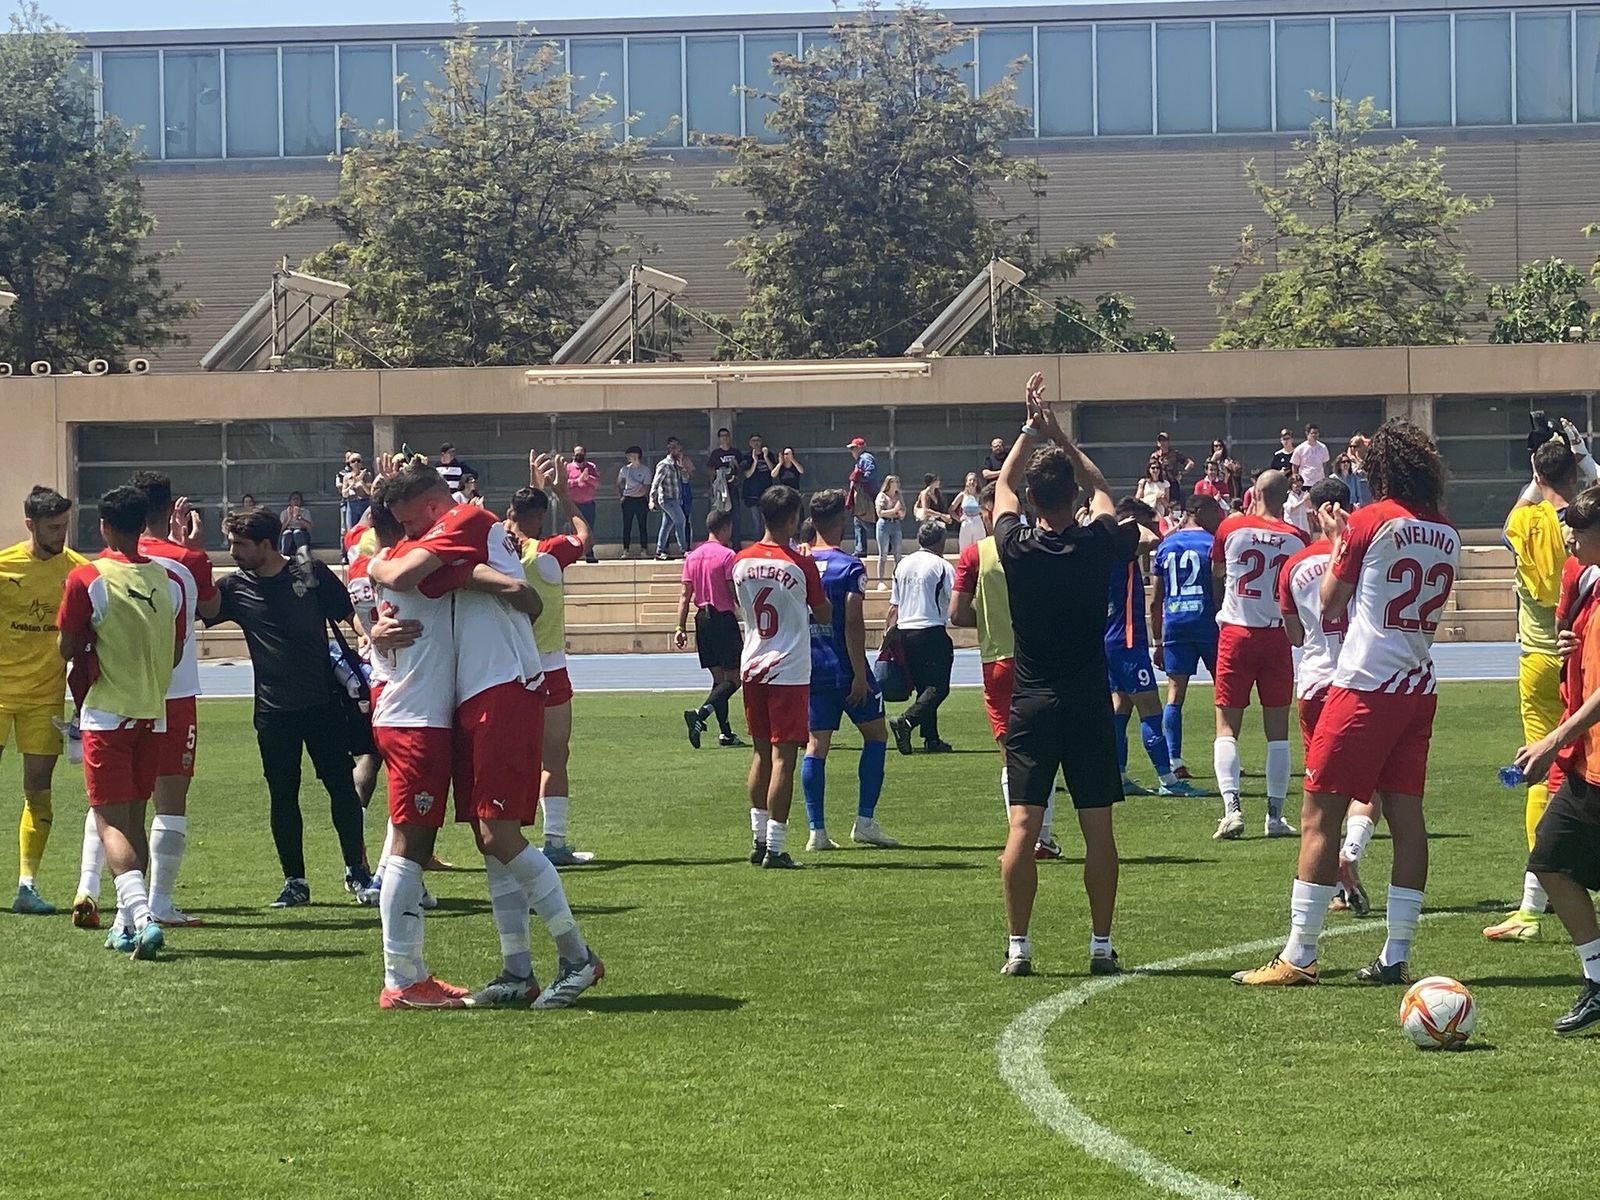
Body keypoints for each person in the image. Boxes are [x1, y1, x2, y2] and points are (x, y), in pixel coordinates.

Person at [369, 457, 602, 1010]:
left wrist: (381, 562)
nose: (408, 535)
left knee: (498, 834)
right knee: (487, 836)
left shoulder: (465, 521)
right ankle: (516, 971)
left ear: (432, 509)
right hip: (474, 693)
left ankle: (577, 957)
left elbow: (402, 575)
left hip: (503, 687)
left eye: (411, 524)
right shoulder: (456, 541)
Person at [1233, 419, 1458, 988]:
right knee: (1408, 820)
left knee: (1318, 816)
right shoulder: (1448, 531)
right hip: (1417, 684)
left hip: (1363, 686)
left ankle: (1301, 954)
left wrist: (1339, 544)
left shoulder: (1369, 520)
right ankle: (1396, 953)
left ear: (1380, 469)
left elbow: (1331, 606)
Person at [995, 372, 1136, 978]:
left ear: (1033, 502)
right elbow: (1105, 488)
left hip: (1031, 700)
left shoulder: (1016, 547)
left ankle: (1019, 947)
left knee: (1023, 827)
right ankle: (1100, 945)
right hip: (1087, 701)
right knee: (1098, 829)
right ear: (1072, 497)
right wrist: (1063, 435)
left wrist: (1030, 430)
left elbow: (1001, 483)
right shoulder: (1098, 542)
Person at [199, 506, 373, 907]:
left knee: (342, 790)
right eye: (229, 544)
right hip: (273, 712)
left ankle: (357, 873)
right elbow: (207, 610)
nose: (233, 552)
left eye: (240, 545)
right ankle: (295, 881)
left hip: (323, 703)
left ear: (266, 544)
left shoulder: (309, 573)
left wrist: (366, 637)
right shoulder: (235, 587)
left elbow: (349, 615)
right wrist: (194, 557)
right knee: (283, 794)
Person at [57, 485, 184, 960]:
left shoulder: (88, 577)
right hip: (152, 713)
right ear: (147, 522)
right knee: (135, 820)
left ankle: (144, 917)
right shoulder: (168, 581)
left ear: (104, 526)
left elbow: (67, 647)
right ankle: (125, 921)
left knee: (109, 821)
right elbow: (173, 650)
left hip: (107, 713)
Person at [1485, 438, 1582, 942]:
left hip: (1539, 658)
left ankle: (1532, 904)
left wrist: (1537, 475)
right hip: (1583, 654)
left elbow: (1518, 513)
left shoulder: (1522, 521)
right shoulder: (1584, 524)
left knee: (1541, 769)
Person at [1513, 488, 1600, 1034]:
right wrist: (1577, 642)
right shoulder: (1588, 579)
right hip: (1588, 760)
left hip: (1586, 751)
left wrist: (1551, 741)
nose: (1569, 537)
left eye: (1579, 528)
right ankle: (1597, 979)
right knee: (1548, 859)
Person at [118, 472, 216, 928]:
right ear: (172, 508)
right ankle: (158, 901)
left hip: (123, 692)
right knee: (171, 800)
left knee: (117, 798)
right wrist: (190, 546)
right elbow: (212, 611)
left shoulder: (107, 560)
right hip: (175, 691)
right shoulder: (188, 559)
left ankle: (109, 897)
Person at [1277, 475, 1376, 915]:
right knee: (1371, 785)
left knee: (1323, 792)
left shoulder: (1294, 565)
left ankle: (1326, 881)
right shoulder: (1367, 554)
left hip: (1316, 682)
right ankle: (1349, 854)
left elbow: (1295, 636)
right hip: (1361, 680)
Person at [951, 482, 1061, 860]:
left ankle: (1021, 837)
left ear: (985, 514)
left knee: (1011, 754)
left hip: (998, 659)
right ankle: (1042, 836)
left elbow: (956, 613)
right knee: (1044, 750)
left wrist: (987, 619)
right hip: (1041, 658)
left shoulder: (975, 554)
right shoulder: (1039, 544)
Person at [1210, 469, 1311, 842]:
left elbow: (1218, 572)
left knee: (1226, 727)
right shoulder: (1297, 539)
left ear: (1253, 492)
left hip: (1236, 632)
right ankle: (1274, 814)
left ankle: (1232, 810)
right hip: (1275, 635)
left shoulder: (1231, 529)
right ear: (1286, 498)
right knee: (1277, 733)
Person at [0, 487, 86, 916]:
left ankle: (26, 886)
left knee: (38, 789)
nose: (61, 534)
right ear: (30, 525)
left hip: (44, 698)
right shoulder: (3, 567)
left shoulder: (79, 571)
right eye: (53, 527)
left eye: (65, 525)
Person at [733, 485, 829, 869]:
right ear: (792, 519)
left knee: (759, 753)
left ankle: (758, 840)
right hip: (788, 668)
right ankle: (776, 845)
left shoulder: (740, 561)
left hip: (753, 661)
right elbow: (823, 614)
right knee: (783, 758)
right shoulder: (799, 563)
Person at [799, 489, 897, 851]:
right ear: (841, 520)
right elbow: (852, 624)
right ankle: (864, 820)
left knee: (815, 747)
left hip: (812, 667)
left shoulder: (801, 563)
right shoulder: (849, 566)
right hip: (844, 667)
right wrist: (859, 674)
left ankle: (816, 830)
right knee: (875, 736)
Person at [510, 452, 594, 866]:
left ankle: (505, 839)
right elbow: (583, 534)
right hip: (549, 666)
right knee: (555, 756)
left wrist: (537, 490)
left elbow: (510, 525)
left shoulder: (500, 550)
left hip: (508, 667)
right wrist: (564, 494)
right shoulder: (548, 553)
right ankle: (555, 840)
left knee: (509, 757)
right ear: (542, 517)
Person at [1106, 498, 1207, 799]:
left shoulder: (1109, 549)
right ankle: (1168, 779)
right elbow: (1151, 539)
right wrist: (1132, 523)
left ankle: (1119, 774)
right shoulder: (1120, 545)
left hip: (1111, 638)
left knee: (1119, 707)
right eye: (1146, 521)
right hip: (1126, 640)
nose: (1152, 528)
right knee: (1151, 710)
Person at [1150, 494, 1224, 782]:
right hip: (1208, 622)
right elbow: (1218, 591)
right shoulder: (1212, 544)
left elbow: (1156, 599)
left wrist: (1157, 640)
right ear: (1199, 511)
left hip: (1176, 622)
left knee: (1174, 694)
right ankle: (1225, 757)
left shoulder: (1167, 544)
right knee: (1223, 692)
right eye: (1215, 511)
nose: (1219, 517)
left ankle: (1174, 758)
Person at [887, 521, 956, 756]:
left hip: (906, 630)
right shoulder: (941, 565)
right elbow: (953, 596)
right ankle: (907, 721)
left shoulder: (903, 564)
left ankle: (931, 738)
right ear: (940, 542)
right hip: (931, 629)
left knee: (924, 688)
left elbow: (894, 605)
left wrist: (889, 635)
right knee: (939, 687)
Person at [678, 510, 745, 749]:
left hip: (702, 620)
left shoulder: (692, 557)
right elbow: (731, 590)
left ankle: (726, 733)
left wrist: (680, 626)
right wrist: (745, 612)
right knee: (734, 679)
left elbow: (685, 596)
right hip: (722, 618)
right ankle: (701, 713)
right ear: (725, 528)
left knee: (719, 680)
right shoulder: (728, 555)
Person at [650, 437, 689, 560]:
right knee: (681, 520)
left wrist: (682, 467)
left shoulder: (676, 465)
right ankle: (684, 549)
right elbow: (656, 482)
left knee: (667, 525)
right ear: (672, 450)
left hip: (676, 498)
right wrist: (652, 499)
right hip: (667, 499)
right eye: (678, 450)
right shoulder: (664, 465)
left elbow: (684, 479)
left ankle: (659, 550)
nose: (680, 452)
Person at [706, 428, 742, 548]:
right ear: (719, 438)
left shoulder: (736, 452)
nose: (725, 438)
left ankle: (736, 545)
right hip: (721, 491)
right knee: (722, 517)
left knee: (735, 517)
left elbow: (742, 469)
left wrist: (735, 465)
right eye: (722, 436)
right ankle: (722, 544)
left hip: (733, 488)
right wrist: (720, 474)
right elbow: (709, 470)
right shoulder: (716, 453)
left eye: (726, 435)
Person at [564, 445, 601, 563]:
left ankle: (589, 554)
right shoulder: (568, 467)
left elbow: (597, 483)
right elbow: (564, 483)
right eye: (577, 453)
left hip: (588, 504)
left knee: (589, 529)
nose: (579, 456)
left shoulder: (591, 467)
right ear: (573, 455)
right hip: (574, 504)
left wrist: (587, 478)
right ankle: (572, 555)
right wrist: (577, 480)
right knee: (573, 530)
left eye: (581, 453)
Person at [845, 437, 880, 559]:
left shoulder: (865, 458)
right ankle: (860, 549)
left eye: (853, 448)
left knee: (867, 521)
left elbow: (870, 473)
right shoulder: (860, 460)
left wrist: (859, 478)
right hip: (860, 497)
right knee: (858, 521)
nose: (852, 451)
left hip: (866, 496)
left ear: (860, 448)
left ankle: (888, 544)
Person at [740, 434, 776, 543]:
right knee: (756, 520)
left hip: (766, 492)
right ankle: (757, 541)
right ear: (750, 444)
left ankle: (769, 540)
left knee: (767, 518)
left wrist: (765, 457)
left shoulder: (769, 454)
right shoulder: (747, 457)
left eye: (758, 440)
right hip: (753, 493)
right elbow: (747, 474)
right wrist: (755, 461)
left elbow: (773, 471)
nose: (756, 443)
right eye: (753, 441)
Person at [617, 446, 651, 559]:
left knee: (643, 526)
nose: (628, 457)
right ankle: (626, 550)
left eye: (630, 455)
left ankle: (644, 549)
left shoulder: (645, 470)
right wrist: (621, 496)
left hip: (641, 500)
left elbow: (645, 488)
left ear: (636, 455)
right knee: (627, 526)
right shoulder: (624, 469)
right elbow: (619, 483)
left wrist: (639, 489)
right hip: (628, 500)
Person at [874, 475, 905, 588]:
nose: (897, 484)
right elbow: (880, 513)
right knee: (883, 554)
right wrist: (894, 510)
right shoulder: (882, 496)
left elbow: (902, 513)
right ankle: (881, 581)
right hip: (884, 524)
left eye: (897, 482)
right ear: (889, 484)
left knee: (897, 553)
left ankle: (897, 578)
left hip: (896, 524)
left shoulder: (898, 496)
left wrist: (899, 512)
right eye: (894, 482)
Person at [339, 453, 371, 535]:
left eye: (358, 461)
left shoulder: (367, 475)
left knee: (366, 528)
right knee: (351, 530)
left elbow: (368, 492)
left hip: (364, 503)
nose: (356, 463)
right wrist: (352, 484)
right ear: (350, 464)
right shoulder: (347, 477)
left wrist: (361, 481)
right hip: (352, 504)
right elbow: (344, 494)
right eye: (353, 461)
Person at [279, 492, 313, 557]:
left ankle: (302, 555)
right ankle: (285, 555)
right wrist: (289, 518)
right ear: (290, 501)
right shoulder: (284, 512)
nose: (296, 501)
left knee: (297, 532)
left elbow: (309, 526)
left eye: (298, 499)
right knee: (287, 533)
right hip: (288, 532)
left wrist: (299, 518)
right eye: (293, 499)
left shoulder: (305, 512)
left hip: (301, 532)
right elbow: (281, 529)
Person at [1283, 466, 1312, 535]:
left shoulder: (1304, 494)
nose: (1298, 488)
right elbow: (1291, 509)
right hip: (1291, 525)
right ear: (1291, 485)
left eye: (1300, 485)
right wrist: (1303, 500)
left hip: (1303, 525)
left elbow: (1309, 509)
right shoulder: (1287, 495)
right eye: (1296, 486)